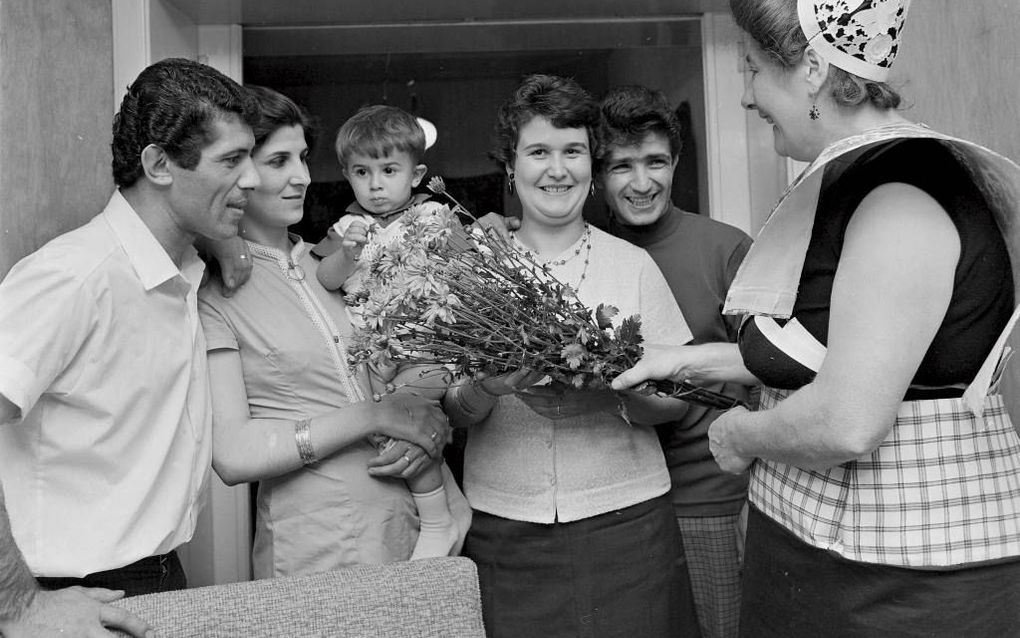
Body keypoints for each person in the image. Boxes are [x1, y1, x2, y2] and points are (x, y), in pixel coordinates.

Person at [612, 0, 1020, 635]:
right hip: (822, 553)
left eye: (750, 69)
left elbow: (848, 420)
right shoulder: (853, 182)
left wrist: (739, 436)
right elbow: (825, 358)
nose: (747, 95)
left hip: (900, 579)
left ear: (808, 68)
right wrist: (685, 359)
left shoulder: (902, 198)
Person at [0, 58, 261, 635]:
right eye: (231, 160)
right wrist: (17, 605)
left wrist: (223, 240)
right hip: (63, 599)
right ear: (159, 164)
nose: (254, 180)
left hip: (159, 577)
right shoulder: (74, 276)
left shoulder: (184, 266)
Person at [443, 74, 702, 638]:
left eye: (573, 152)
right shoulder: (474, 270)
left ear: (591, 166)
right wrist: (491, 387)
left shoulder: (632, 265)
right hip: (506, 527)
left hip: (627, 522)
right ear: (510, 166)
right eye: (538, 152)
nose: (557, 170)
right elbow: (453, 410)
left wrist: (618, 394)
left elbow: (677, 401)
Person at [198, 86, 466, 580]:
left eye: (302, 157)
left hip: (412, 531)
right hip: (315, 547)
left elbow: (404, 369)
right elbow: (234, 457)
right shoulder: (214, 293)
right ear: (238, 170)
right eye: (278, 161)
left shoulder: (340, 262)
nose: (302, 176)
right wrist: (370, 417)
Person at [598, 84, 753, 638]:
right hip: (619, 500)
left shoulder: (725, 248)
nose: (642, 183)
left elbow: (776, 366)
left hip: (707, 497)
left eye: (655, 162)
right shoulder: (589, 254)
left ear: (677, 163)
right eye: (622, 166)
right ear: (597, 174)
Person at [313, 104, 444, 294]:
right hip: (366, 320)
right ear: (348, 177)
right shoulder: (347, 228)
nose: (375, 184)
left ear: (416, 175)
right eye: (362, 172)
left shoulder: (435, 214)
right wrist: (346, 255)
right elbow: (326, 280)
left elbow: (468, 262)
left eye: (388, 170)